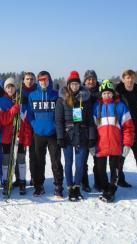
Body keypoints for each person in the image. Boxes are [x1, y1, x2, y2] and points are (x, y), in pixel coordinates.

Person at [55, 71, 96, 201]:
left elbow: (90, 121)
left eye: (76, 84)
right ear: (68, 85)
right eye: (72, 84)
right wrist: (60, 137)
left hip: (82, 134)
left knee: (80, 164)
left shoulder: (86, 99)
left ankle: (77, 187)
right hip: (67, 135)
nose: (74, 86)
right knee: (68, 162)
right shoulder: (61, 100)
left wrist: (91, 137)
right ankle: (69, 186)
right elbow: (58, 120)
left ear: (80, 84)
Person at [92, 79, 135, 202]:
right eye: (104, 93)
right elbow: (92, 128)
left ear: (113, 93)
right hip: (101, 145)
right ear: (101, 94)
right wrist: (91, 143)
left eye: (109, 93)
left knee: (114, 169)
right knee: (100, 169)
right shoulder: (96, 108)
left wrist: (127, 144)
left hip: (117, 146)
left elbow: (128, 127)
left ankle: (111, 190)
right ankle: (106, 188)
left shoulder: (121, 106)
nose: (107, 95)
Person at [27, 71, 64, 197]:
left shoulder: (55, 95)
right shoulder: (32, 96)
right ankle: (39, 185)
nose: (43, 82)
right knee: (39, 161)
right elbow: (30, 114)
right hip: (38, 133)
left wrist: (56, 127)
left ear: (49, 80)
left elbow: (60, 113)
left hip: (53, 133)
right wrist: (34, 125)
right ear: (38, 81)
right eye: (41, 79)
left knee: (56, 160)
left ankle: (58, 185)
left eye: (46, 79)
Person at [116, 70, 137, 191]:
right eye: (128, 78)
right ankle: (120, 179)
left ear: (134, 79)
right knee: (121, 158)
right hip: (124, 132)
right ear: (123, 79)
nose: (130, 80)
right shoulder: (118, 93)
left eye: (132, 78)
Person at [0, 77, 32, 195]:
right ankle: (7, 182)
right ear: (5, 88)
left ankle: (22, 182)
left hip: (20, 135)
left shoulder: (21, 100)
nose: (10, 89)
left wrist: (26, 136)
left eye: (12, 86)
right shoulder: (2, 101)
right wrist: (13, 109)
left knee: (21, 159)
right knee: (6, 160)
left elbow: (25, 120)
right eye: (8, 87)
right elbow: (3, 120)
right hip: (7, 136)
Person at [13, 72, 37, 187]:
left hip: (33, 126)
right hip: (21, 127)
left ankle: (34, 177)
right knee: (20, 155)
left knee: (34, 155)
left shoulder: (37, 91)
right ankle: (19, 178)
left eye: (32, 79)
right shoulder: (18, 92)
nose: (29, 81)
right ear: (24, 80)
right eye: (27, 79)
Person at [82, 70, 101, 192]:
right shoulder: (81, 93)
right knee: (83, 159)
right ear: (85, 81)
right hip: (84, 130)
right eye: (88, 79)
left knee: (98, 159)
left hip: (99, 131)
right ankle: (84, 183)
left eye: (93, 79)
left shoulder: (101, 93)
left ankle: (98, 182)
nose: (91, 81)